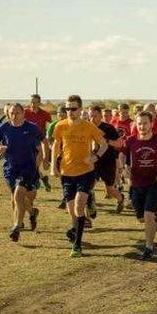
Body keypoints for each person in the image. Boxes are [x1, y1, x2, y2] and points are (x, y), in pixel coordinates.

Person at [51, 95, 108, 258]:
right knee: (72, 211)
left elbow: (103, 145)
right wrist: (53, 166)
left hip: (86, 172)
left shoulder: (89, 126)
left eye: (73, 109)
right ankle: (76, 230)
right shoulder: (60, 126)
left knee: (78, 206)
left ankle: (77, 245)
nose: (70, 112)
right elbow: (56, 145)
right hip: (66, 173)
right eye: (67, 109)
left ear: (80, 109)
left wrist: (95, 157)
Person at [0, 103, 47, 242]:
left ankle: (16, 226)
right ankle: (32, 212)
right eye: (11, 113)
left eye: (17, 113)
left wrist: (43, 158)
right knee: (18, 197)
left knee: (19, 194)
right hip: (10, 169)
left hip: (28, 167)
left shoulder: (32, 127)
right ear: (8, 114)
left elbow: (44, 141)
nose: (14, 116)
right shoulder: (4, 127)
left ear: (23, 113)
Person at [126, 111, 157, 260]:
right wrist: (124, 168)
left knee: (148, 216)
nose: (142, 126)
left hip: (154, 184)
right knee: (142, 218)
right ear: (136, 124)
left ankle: (149, 246)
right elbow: (122, 155)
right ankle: (155, 223)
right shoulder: (130, 141)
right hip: (136, 184)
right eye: (139, 123)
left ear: (151, 124)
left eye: (145, 123)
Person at [89, 106, 125, 214]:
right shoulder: (87, 128)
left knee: (110, 188)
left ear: (101, 116)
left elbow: (119, 144)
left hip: (108, 162)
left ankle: (120, 199)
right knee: (88, 186)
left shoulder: (108, 128)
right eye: (90, 116)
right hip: (93, 161)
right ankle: (90, 207)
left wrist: (106, 141)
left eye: (94, 116)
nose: (92, 119)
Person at [23, 94, 53, 191]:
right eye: (31, 102)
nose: (32, 104)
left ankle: (35, 183)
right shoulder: (25, 112)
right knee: (31, 164)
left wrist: (50, 138)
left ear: (39, 103)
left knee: (35, 164)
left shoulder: (45, 114)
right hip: (27, 142)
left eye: (35, 102)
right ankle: (43, 178)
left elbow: (52, 126)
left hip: (40, 142)